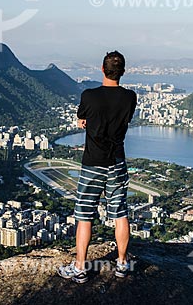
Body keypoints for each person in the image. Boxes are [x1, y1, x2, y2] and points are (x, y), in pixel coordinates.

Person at [57, 51, 137, 283]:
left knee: (85, 216)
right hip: (117, 162)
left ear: (102, 69)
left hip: (93, 163)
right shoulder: (130, 97)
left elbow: (83, 118)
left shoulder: (89, 95)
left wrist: (87, 122)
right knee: (120, 213)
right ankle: (122, 263)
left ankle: (80, 267)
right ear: (122, 72)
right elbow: (125, 119)